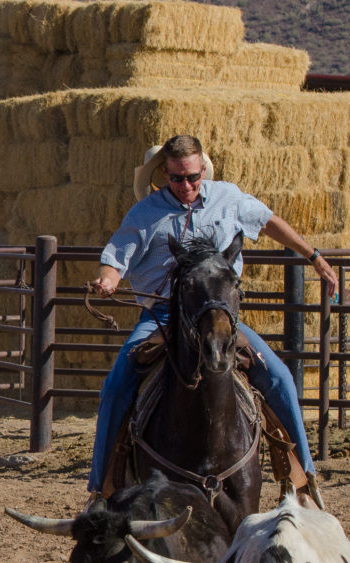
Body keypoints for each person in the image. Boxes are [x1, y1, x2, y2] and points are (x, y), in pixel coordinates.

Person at [87, 134, 337, 504]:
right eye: (176, 178)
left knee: (280, 378)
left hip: (218, 315)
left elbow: (268, 222)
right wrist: (107, 280)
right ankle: (101, 488)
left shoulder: (229, 198)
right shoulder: (145, 214)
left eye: (192, 176)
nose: (185, 185)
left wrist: (313, 256)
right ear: (163, 175)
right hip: (164, 315)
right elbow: (117, 257)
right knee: (116, 385)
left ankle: (303, 480)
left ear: (203, 169)